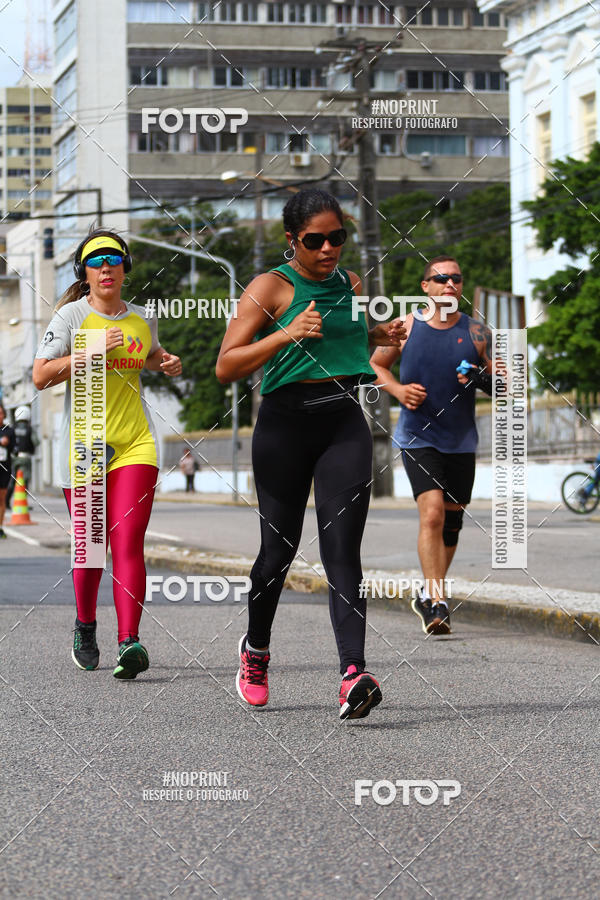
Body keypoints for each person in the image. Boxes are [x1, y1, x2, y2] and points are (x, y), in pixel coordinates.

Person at [216, 188, 405, 719]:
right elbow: (226, 365)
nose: (328, 249)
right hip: (284, 427)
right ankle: (255, 652)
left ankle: (353, 674)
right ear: (292, 240)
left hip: (343, 422)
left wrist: (377, 333)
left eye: (337, 237)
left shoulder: (350, 283)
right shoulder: (269, 287)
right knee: (277, 553)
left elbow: (343, 341)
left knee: (342, 551)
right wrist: (284, 335)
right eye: (315, 240)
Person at [33, 228, 182, 678]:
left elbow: (148, 354)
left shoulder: (142, 318)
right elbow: (41, 375)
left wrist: (164, 361)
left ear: (124, 268)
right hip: (86, 444)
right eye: (95, 262)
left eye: (113, 260)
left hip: (136, 441)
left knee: (128, 542)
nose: (105, 268)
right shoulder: (71, 317)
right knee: (92, 548)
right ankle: (85, 626)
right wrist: (91, 350)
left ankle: (129, 642)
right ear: (85, 272)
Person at [370, 255, 493, 636]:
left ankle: (427, 593)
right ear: (426, 287)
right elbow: (375, 366)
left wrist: (480, 377)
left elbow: (505, 387)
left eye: (456, 278)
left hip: (460, 440)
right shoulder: (406, 326)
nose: (450, 284)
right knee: (433, 514)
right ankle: (439, 601)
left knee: (452, 523)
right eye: (441, 279)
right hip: (417, 437)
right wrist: (398, 390)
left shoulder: (478, 333)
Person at [6, 405, 35, 509]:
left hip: (13, 457)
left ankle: (6, 502)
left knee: (11, 480)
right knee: (24, 480)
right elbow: (36, 441)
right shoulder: (29, 429)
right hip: (24, 458)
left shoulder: (12, 428)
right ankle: (22, 503)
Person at [0, 405, 16, 538]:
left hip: (4, 468)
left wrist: (8, 443)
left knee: (2, 499)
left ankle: (0, 527)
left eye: (0, 413)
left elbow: (15, 448)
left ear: (4, 415)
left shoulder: (9, 431)